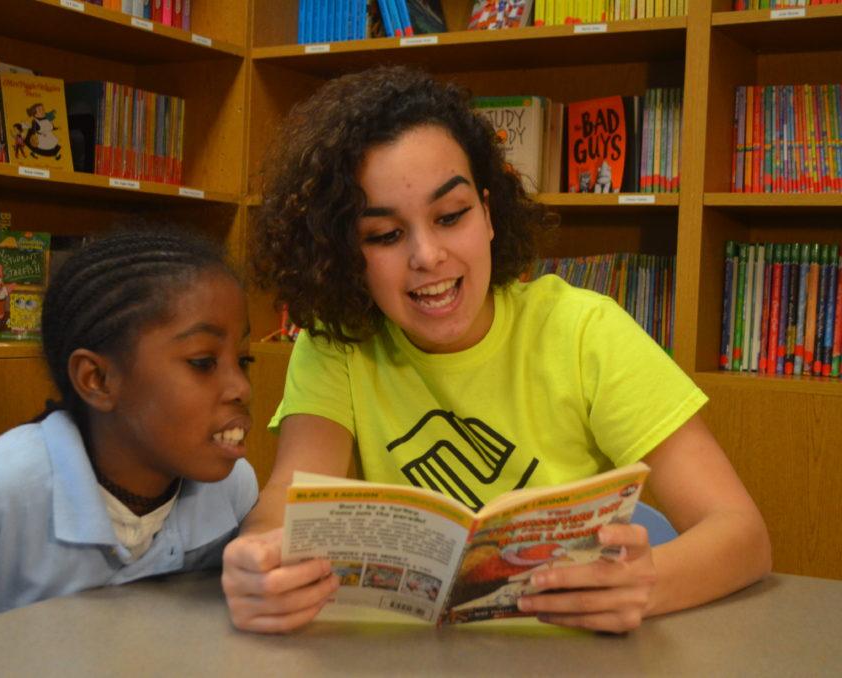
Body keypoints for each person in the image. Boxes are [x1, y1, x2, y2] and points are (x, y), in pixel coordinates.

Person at [222, 65, 771, 634]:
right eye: (384, 235)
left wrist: (646, 581)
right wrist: (259, 562)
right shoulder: (336, 343)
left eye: (451, 215)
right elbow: (288, 497)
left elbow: (740, 532)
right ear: (342, 255)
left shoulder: (584, 331)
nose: (427, 255)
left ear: (487, 214)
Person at [0, 230, 257, 676]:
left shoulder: (233, 488)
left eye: (245, 361)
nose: (241, 388)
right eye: (203, 362)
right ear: (97, 379)